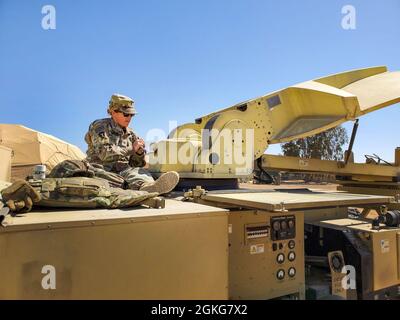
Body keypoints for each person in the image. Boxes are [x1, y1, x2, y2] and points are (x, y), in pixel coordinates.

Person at [84, 94, 179, 194]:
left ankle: (147, 187)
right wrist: (132, 149)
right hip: (101, 170)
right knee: (106, 179)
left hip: (123, 172)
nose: (129, 118)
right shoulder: (100, 126)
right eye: (125, 114)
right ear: (113, 112)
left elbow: (136, 164)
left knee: (139, 172)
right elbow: (105, 154)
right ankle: (135, 188)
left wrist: (138, 154)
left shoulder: (131, 133)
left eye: (131, 115)